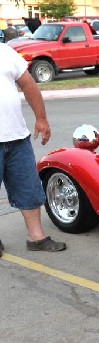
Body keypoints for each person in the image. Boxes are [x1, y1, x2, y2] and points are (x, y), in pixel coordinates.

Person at [0, 43, 66, 257]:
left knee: (29, 189)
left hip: (17, 138)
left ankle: (36, 238)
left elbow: (28, 85)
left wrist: (41, 118)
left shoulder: (5, 51)